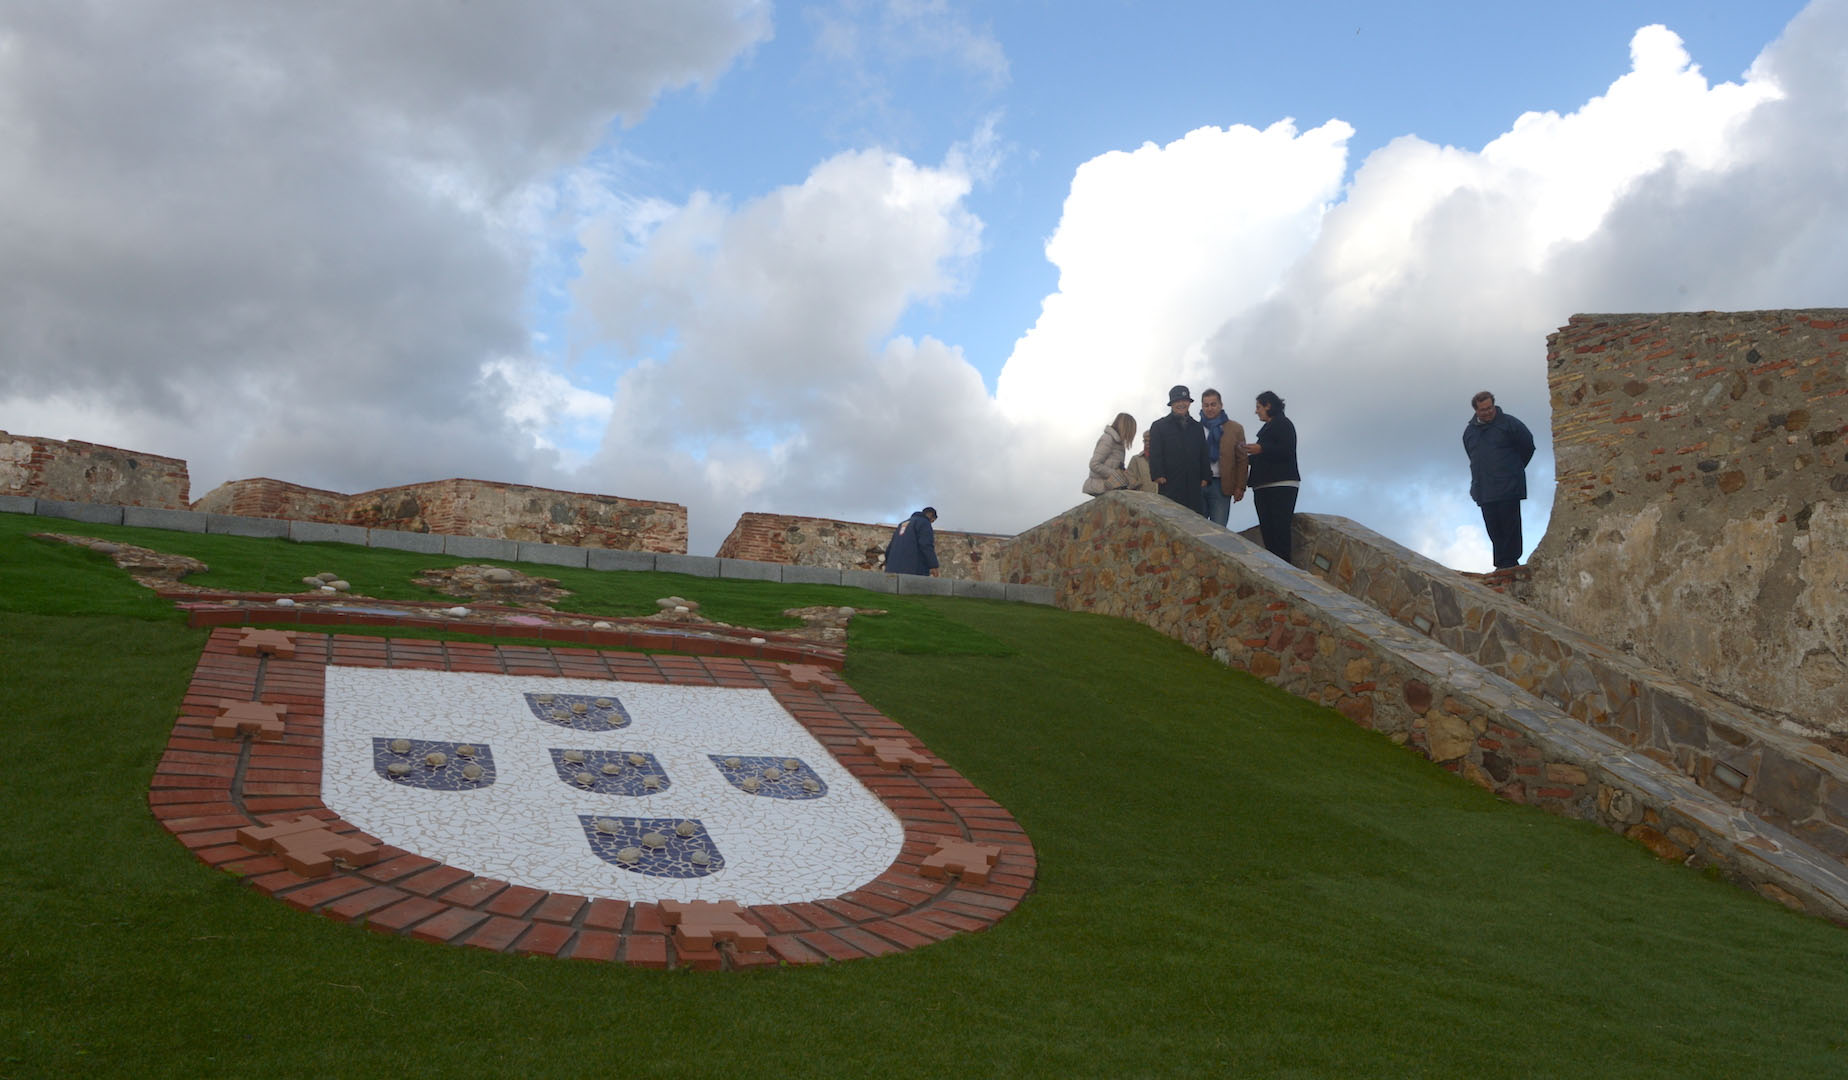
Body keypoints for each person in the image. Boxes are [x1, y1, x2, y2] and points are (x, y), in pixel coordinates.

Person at [1462, 390, 1536, 572]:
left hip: (1508, 486)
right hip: (1484, 489)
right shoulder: (1469, 433)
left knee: (1510, 527)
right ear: (1476, 410)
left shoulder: (1510, 424)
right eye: (1483, 410)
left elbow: (1528, 446)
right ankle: (1501, 565)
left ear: (1494, 405)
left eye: (1489, 408)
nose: (1487, 412)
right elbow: (1472, 458)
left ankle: (1510, 564)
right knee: (1494, 529)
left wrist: (1513, 470)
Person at [1242, 390, 1299, 563]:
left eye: (1259, 407)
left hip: (1281, 485)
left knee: (1279, 531)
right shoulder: (1268, 428)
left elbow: (1287, 450)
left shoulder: (1284, 424)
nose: (1256, 411)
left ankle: (1285, 570)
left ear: (1269, 405)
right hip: (1263, 486)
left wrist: (1262, 449)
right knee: (1268, 532)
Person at [1148, 385, 1210, 514]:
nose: (1181, 404)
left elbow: (1203, 453)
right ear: (1171, 404)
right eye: (1177, 401)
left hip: (1193, 484)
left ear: (1189, 402)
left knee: (1195, 519)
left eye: (1185, 400)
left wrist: (1205, 476)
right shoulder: (1159, 426)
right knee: (1171, 519)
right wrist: (1158, 474)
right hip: (1170, 483)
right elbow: (1155, 453)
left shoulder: (1197, 427)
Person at [1198, 388, 1249, 526]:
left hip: (1221, 485)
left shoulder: (1235, 428)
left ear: (1221, 405)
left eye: (1213, 404)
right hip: (1198, 485)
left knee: (1219, 530)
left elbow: (1242, 459)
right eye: (1206, 405)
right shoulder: (1195, 428)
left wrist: (1240, 486)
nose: (1210, 408)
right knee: (1196, 528)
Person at [1082, 413, 1138, 496]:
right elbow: (1094, 464)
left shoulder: (1118, 443)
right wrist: (1115, 474)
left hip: (1109, 487)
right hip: (1101, 486)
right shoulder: (1108, 439)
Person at [883, 506, 940, 576]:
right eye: (932, 521)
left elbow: (890, 546)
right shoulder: (924, 523)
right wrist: (933, 565)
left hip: (892, 569)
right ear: (930, 515)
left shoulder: (902, 524)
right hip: (913, 569)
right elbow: (926, 545)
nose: (931, 523)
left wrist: (888, 563)